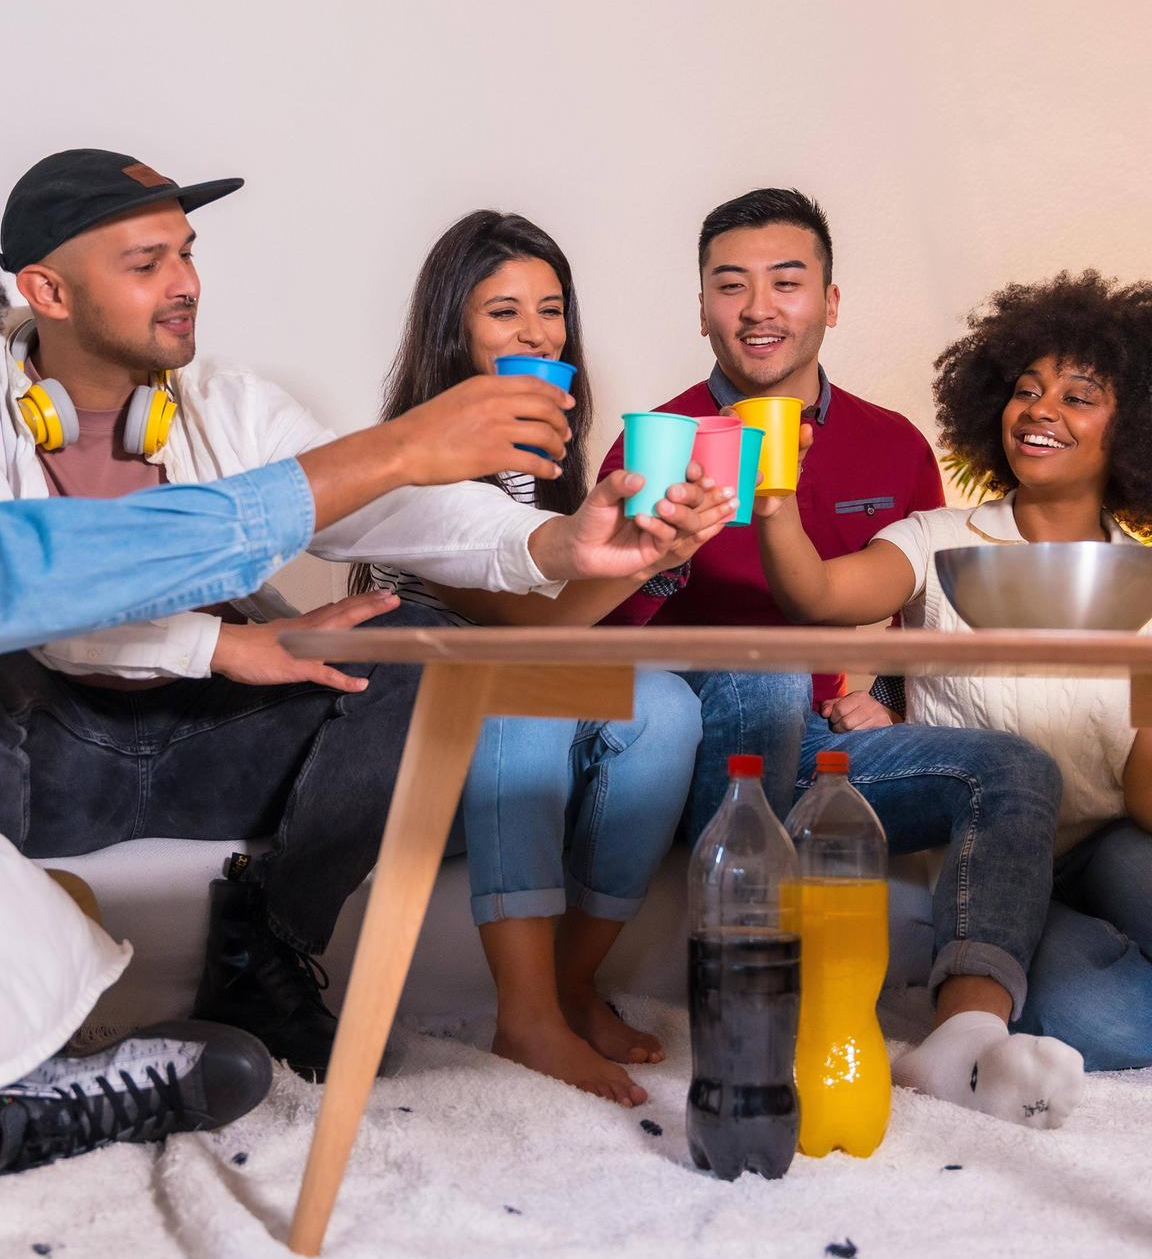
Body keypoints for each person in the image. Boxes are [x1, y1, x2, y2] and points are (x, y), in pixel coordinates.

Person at [0, 153, 717, 1082]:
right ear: (46, 290)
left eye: (187, 254)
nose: (186, 286)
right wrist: (220, 645)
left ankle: (266, 950)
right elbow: (32, 587)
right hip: (47, 746)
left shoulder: (232, 405)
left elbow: (396, 507)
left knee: (425, 649)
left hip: (210, 748)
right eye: (147, 266)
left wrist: (561, 549)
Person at [597, 189, 1078, 1128]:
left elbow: (917, 602)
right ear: (701, 309)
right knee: (766, 671)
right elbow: (603, 657)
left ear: (830, 299)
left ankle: (963, 1041)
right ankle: (772, 1020)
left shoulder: (892, 444)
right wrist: (661, 561)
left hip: (820, 743)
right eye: (730, 286)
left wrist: (889, 695)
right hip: (705, 748)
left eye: (787, 281)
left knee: (1015, 768)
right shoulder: (660, 441)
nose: (758, 307)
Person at [353, 211, 734, 1106]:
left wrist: (654, 549)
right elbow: (522, 627)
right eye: (503, 313)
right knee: (517, 695)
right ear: (455, 331)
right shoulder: (420, 458)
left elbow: (552, 622)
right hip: (422, 736)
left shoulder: (551, 462)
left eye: (551, 309)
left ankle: (570, 986)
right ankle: (524, 1017)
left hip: (510, 685)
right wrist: (642, 556)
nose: (536, 333)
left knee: (667, 706)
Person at [755, 269, 1152, 1109]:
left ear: (1134, 429)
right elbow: (818, 597)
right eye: (1025, 390)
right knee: (1104, 1024)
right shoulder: (935, 541)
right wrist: (776, 496)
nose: (1041, 410)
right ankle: (987, 1014)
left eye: (1080, 396)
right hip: (995, 856)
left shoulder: (1145, 581)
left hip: (1116, 841)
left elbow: (1145, 804)